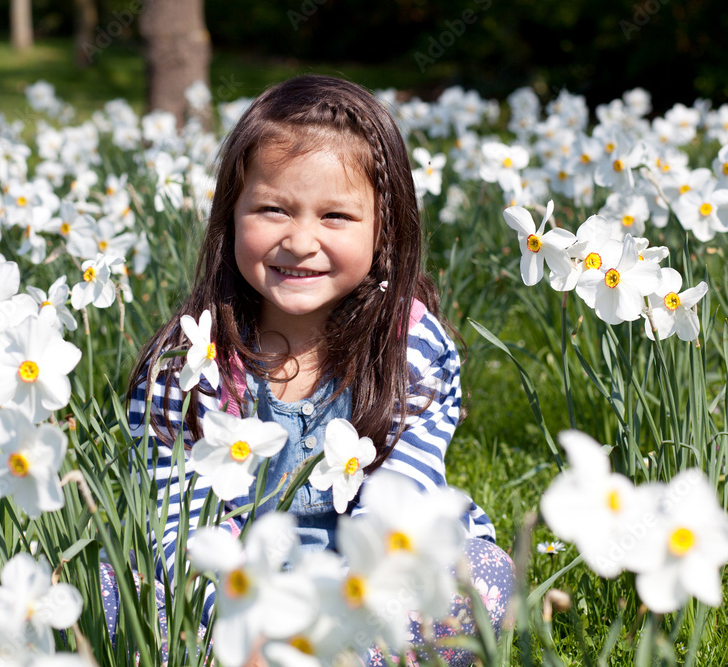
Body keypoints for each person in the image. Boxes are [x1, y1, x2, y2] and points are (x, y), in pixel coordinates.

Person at [109, 74, 513, 666]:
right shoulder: (190, 356)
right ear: (231, 213)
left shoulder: (408, 346)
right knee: (107, 586)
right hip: (232, 585)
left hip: (368, 583)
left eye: (336, 217)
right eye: (272, 209)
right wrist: (226, 613)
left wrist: (341, 612)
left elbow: (399, 500)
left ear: (385, 228)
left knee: (481, 573)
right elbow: (164, 509)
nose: (300, 241)